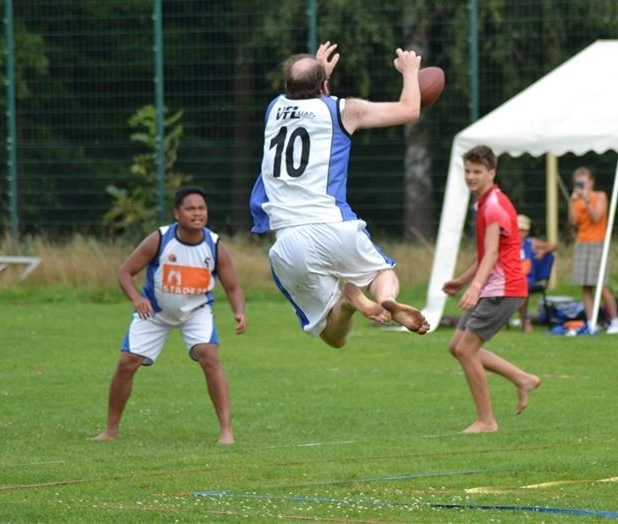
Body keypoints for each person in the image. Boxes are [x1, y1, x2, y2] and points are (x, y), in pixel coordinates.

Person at [249, 41, 429, 348]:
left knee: (332, 337)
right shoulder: (345, 110)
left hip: (288, 241)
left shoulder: (274, 109)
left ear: (286, 86)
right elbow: (410, 110)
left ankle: (347, 303)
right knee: (382, 273)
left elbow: (305, 95)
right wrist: (411, 72)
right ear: (325, 85)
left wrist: (320, 74)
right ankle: (386, 298)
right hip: (332, 225)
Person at [93, 187, 247, 445]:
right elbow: (125, 273)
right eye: (190, 208)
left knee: (209, 356)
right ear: (177, 213)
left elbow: (232, 286)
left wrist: (239, 312)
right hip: (154, 311)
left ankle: (226, 432)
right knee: (127, 362)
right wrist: (137, 298)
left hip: (196, 311)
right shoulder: (160, 239)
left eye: (201, 208)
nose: (197, 213)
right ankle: (110, 430)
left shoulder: (215, 244)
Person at [443, 146, 541, 433]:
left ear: (491, 173)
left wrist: (474, 287)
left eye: (477, 172)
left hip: (504, 288)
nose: (471, 177)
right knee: (457, 347)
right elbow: (487, 252)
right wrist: (463, 280)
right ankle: (522, 379)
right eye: (468, 171)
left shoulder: (494, 206)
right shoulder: (484, 203)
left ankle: (486, 421)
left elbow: (493, 255)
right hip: (494, 286)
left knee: (466, 350)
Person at [568, 167, 618, 334]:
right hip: (582, 244)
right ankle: (592, 323)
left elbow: (597, 217)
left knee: (602, 285)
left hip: (598, 244)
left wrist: (585, 200)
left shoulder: (600, 196)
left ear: (591, 182)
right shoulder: (576, 200)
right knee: (585, 287)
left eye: (583, 182)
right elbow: (573, 222)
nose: (581, 185)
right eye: (578, 182)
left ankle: (615, 321)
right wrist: (572, 202)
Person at [516, 214, 556, 333]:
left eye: (523, 230)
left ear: (527, 232)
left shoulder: (531, 243)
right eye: (518, 229)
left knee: (523, 287)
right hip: (513, 277)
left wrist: (543, 252)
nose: (520, 233)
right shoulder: (509, 243)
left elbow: (553, 246)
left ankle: (525, 321)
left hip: (527, 278)